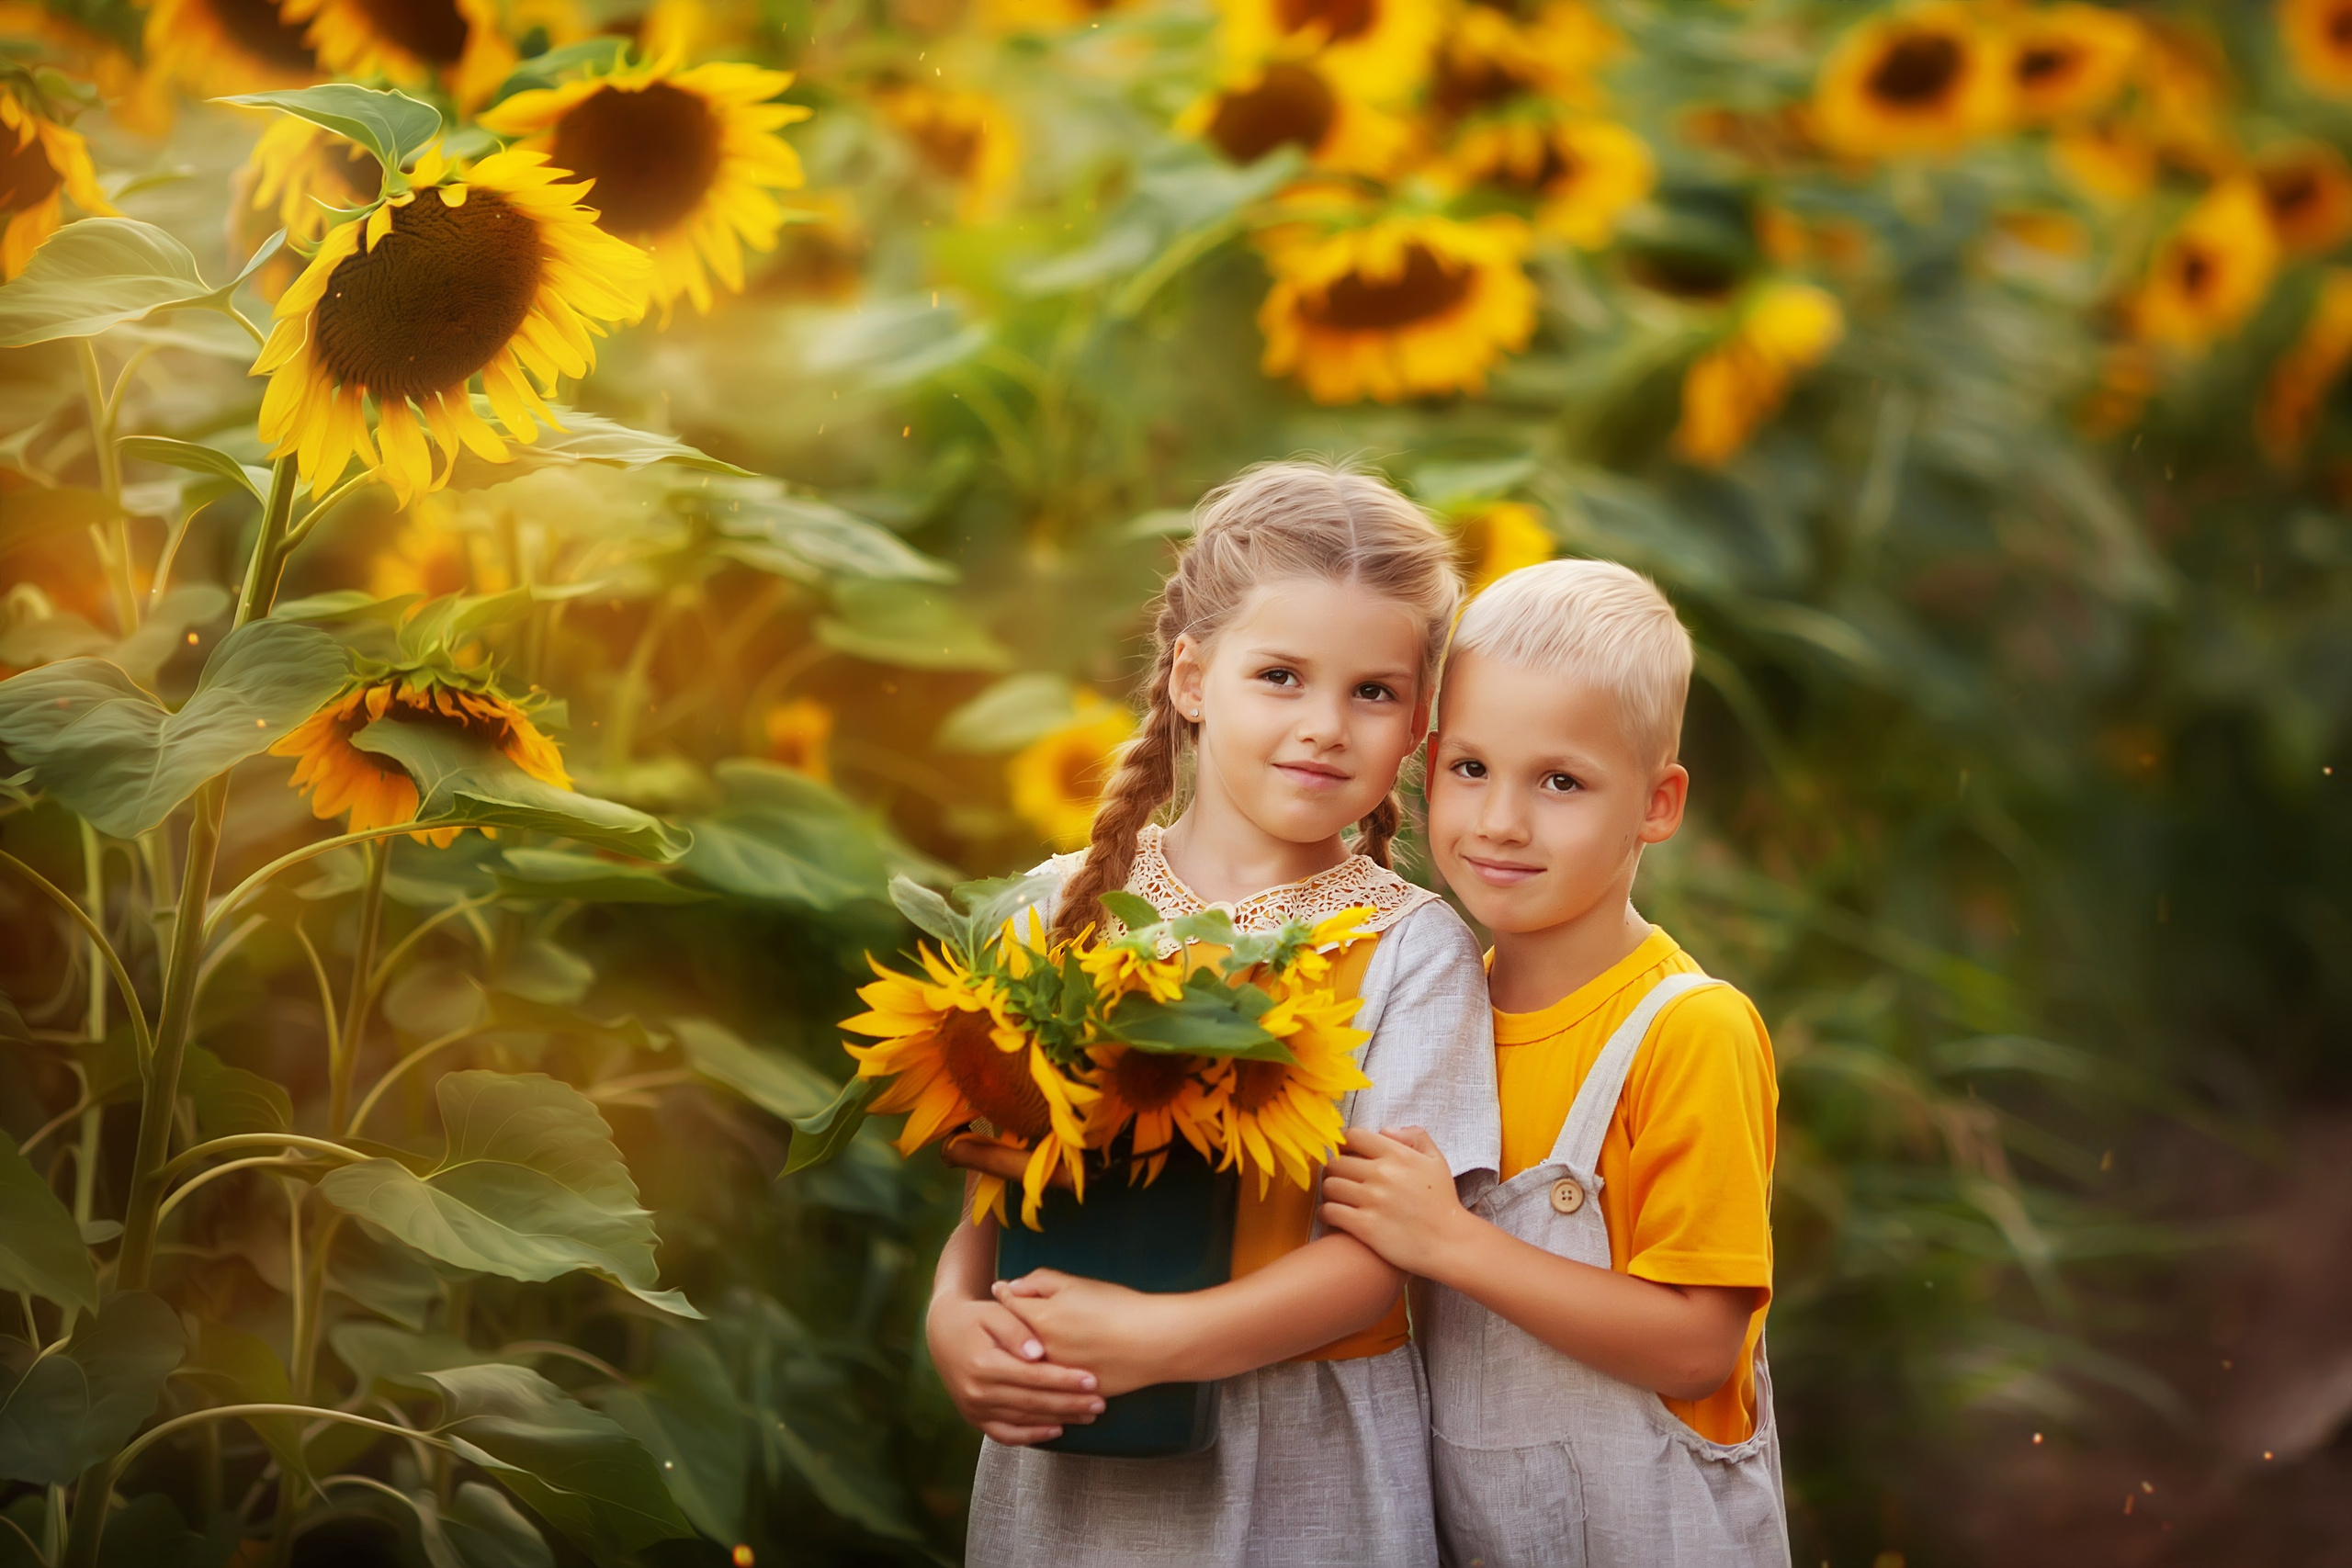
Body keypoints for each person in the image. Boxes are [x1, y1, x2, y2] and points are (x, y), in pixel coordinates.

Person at [926, 460, 1499, 1568]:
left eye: (1373, 692)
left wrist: (1167, 1339)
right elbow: (992, 1195)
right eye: (1280, 676)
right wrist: (953, 1317)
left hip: (1299, 1457)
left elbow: (1384, 1253)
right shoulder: (1054, 910)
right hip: (1068, 1441)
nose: (1326, 726)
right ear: (1191, 676)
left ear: (1419, 718)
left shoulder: (1409, 950)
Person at [1319, 558, 1790, 1567]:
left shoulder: (1687, 1029)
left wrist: (1453, 1243)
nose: (1500, 822)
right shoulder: (1433, 1011)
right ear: (1429, 761)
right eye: (1471, 769)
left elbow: (1699, 1344)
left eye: (1561, 782)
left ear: (1657, 805)